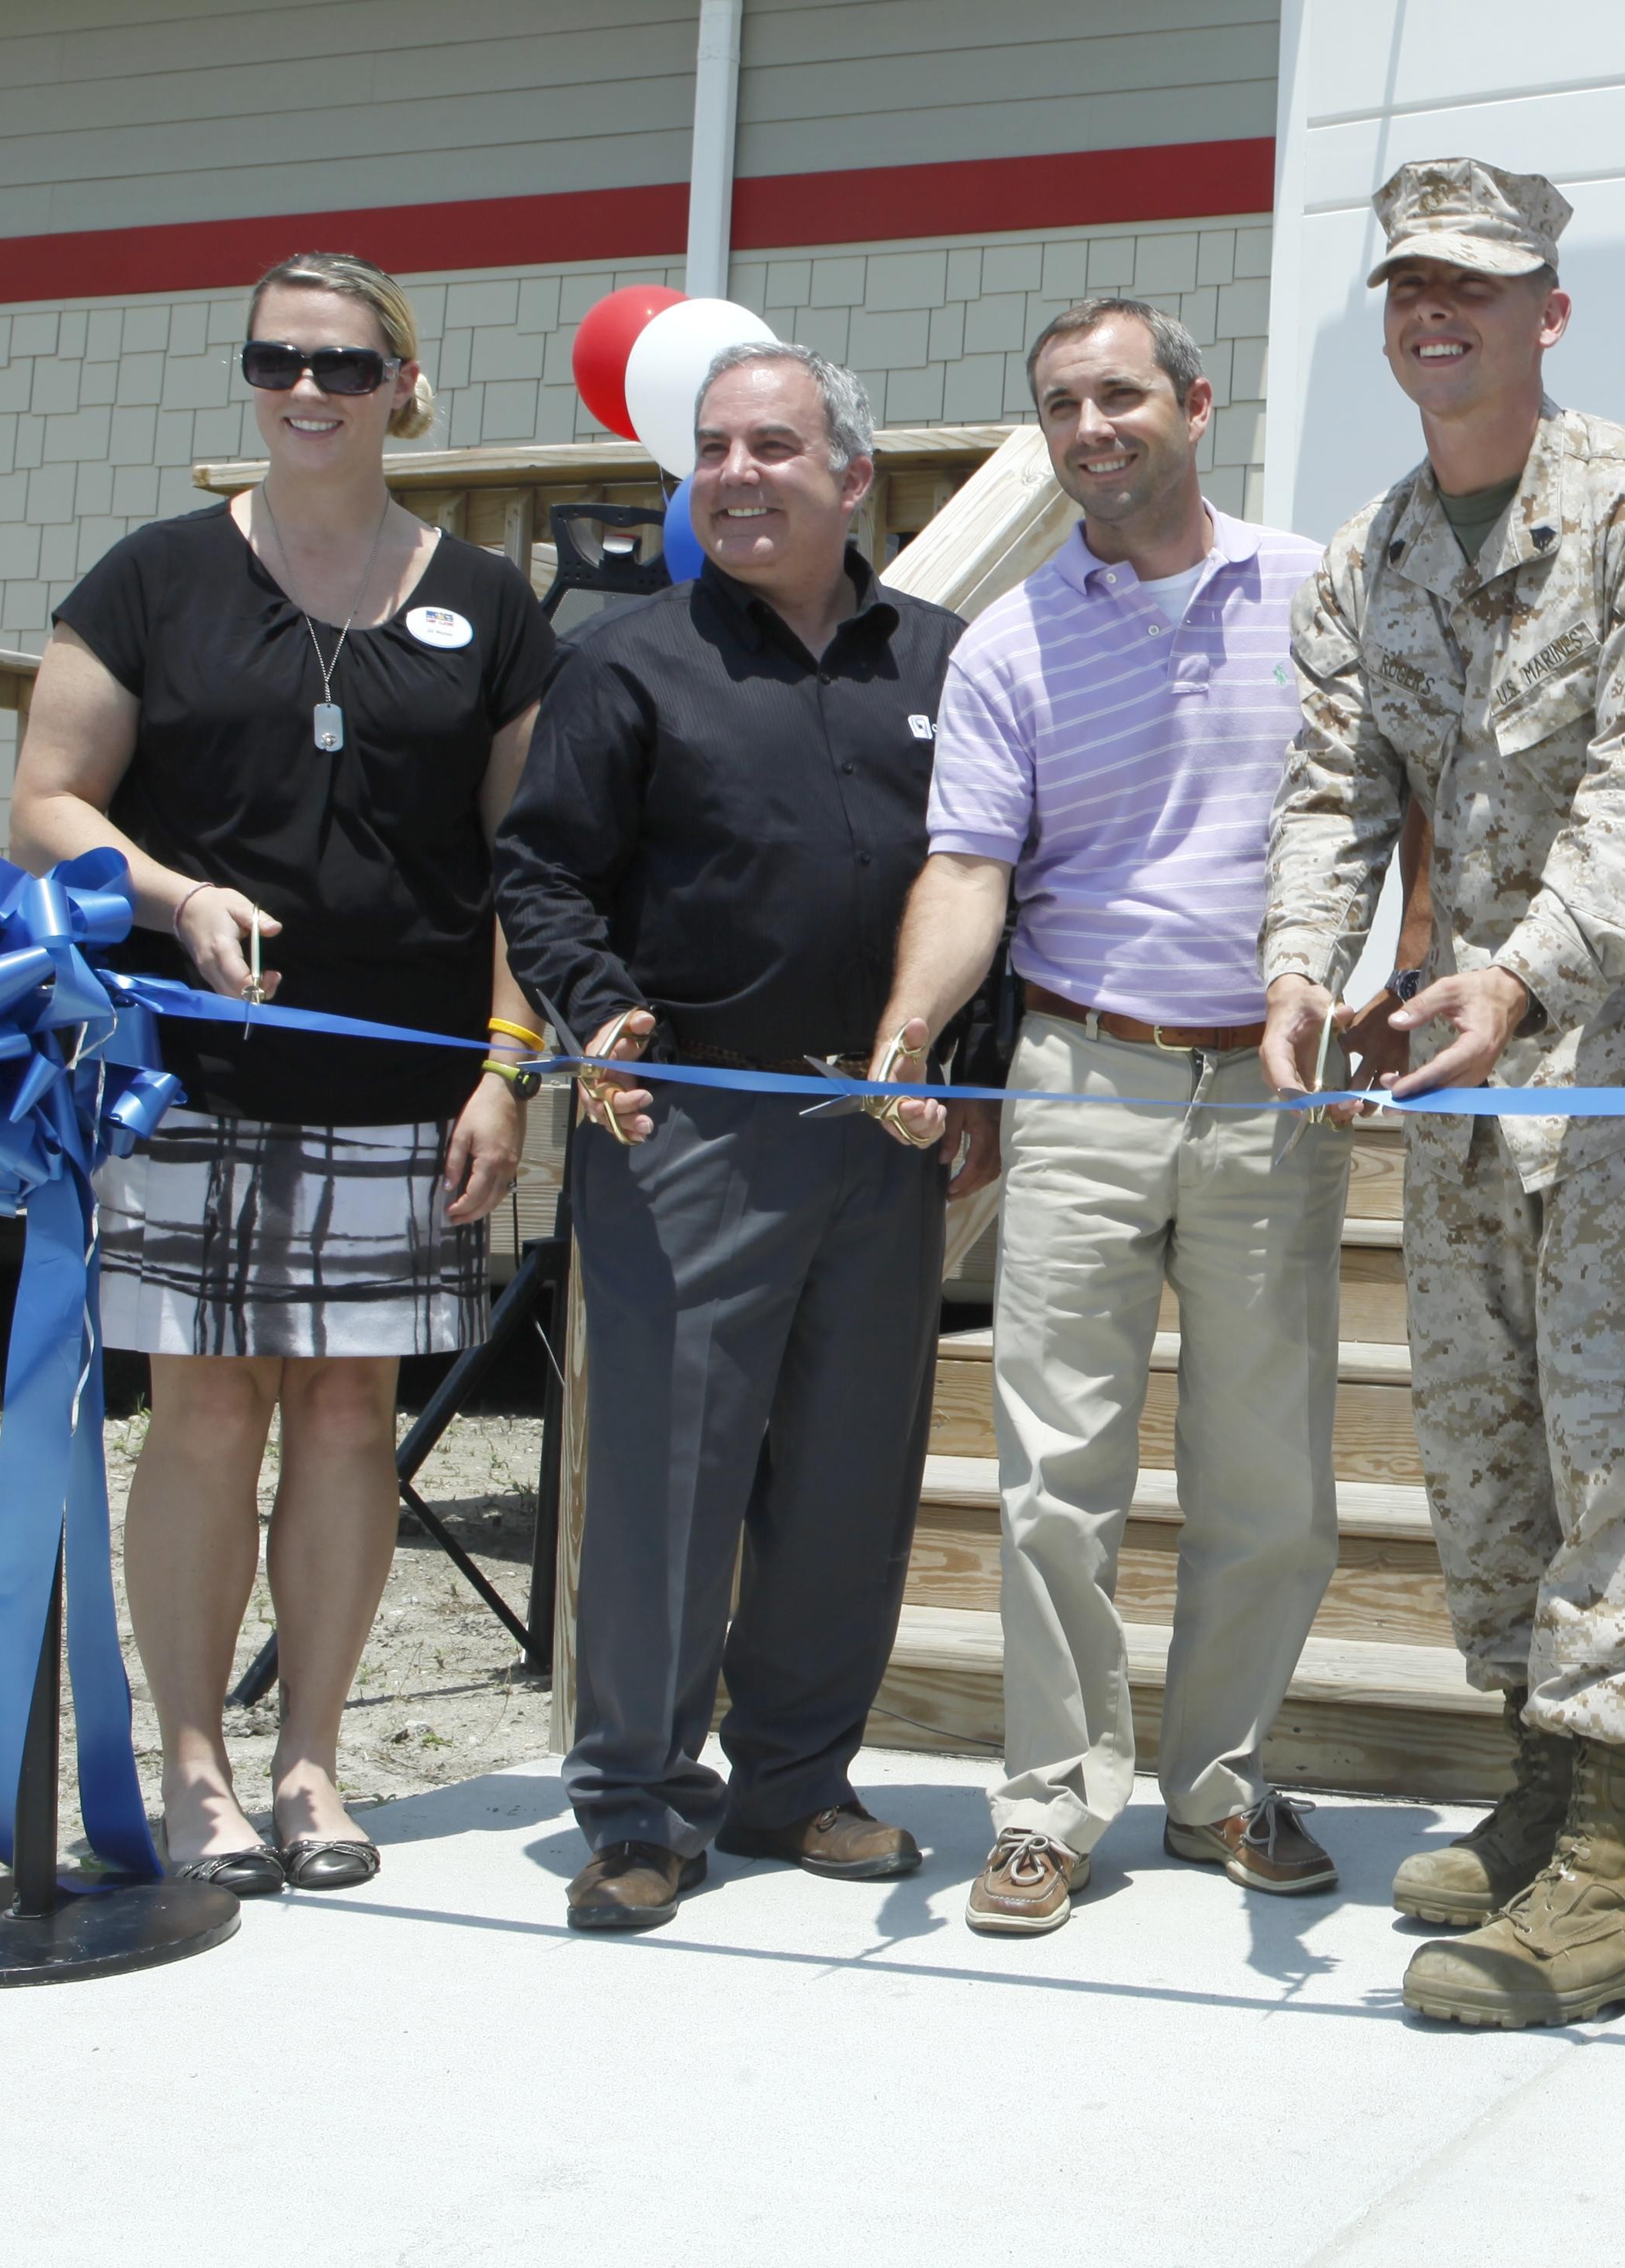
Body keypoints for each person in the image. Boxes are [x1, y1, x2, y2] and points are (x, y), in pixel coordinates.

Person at [1259, 157, 1625, 2029]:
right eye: (1409, 283)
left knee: (1624, 1437)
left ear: (1546, 313)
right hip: (1455, 1067)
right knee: (1487, 1439)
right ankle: (1552, 1779)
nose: (1438, 312)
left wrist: (1520, 968)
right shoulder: (1373, 553)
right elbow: (1333, 796)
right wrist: (1306, 968)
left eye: (1476, 287)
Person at [11, 250, 553, 1897]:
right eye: (274, 361)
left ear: (404, 381)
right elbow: (44, 801)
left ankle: (313, 1763)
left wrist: (509, 1067)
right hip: (192, 1075)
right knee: (205, 1411)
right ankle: (195, 1770)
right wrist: (171, 899)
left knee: (346, 1413)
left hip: (410, 1083)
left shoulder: (490, 597)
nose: (305, 390)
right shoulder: (154, 579)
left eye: (339, 362)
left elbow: (531, 859)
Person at [859, 294, 1346, 1937]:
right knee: (1052, 1472)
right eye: (1061, 403)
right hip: (1080, 1069)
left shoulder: (1315, 595)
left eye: (1121, 395)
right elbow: (970, 867)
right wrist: (915, 1026)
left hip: (1275, 1087)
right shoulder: (1008, 642)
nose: (1091, 428)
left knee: (1267, 1472)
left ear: (1197, 405)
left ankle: (1220, 1784)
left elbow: (1387, 811)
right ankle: (1048, 1802)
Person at [496, 340, 969, 1933]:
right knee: (665, 1482)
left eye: (775, 446)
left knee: (850, 1479)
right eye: (714, 449)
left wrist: (978, 1065)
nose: (737, 474)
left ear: (855, 476)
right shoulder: (627, 666)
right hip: (687, 1119)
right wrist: (597, 1004)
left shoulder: (949, 662)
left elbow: (998, 877)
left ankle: (795, 1782)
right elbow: (543, 873)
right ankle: (636, 1805)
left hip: (884, 1131)